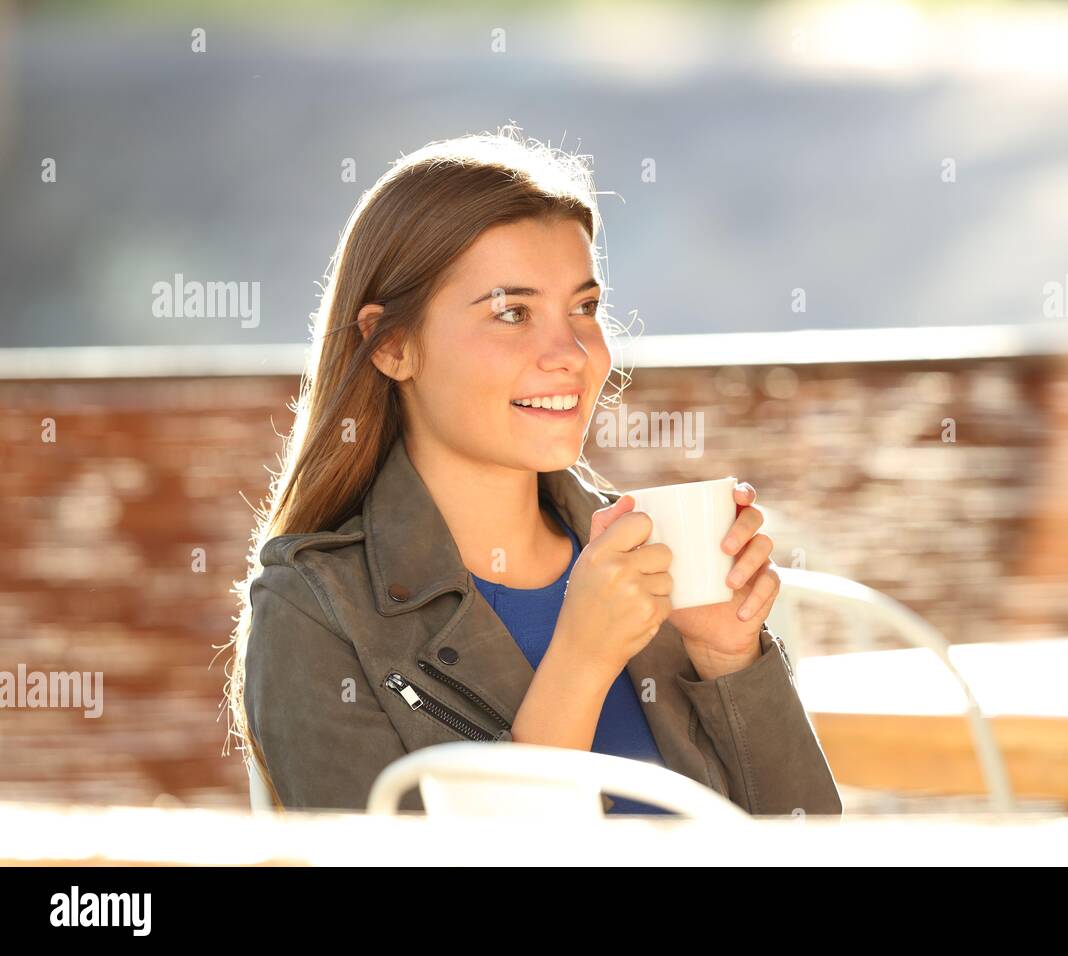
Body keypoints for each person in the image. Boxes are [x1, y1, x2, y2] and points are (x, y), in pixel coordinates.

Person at [221, 124, 842, 818]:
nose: (572, 352)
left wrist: (729, 659)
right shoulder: (315, 609)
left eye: (583, 307)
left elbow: (812, 843)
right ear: (391, 345)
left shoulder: (645, 557)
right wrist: (580, 661)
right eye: (512, 313)